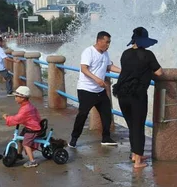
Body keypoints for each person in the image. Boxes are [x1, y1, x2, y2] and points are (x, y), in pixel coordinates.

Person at [113, 27, 163, 168]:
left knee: (131, 126)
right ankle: (138, 162)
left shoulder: (125, 54)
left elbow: (129, 70)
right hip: (137, 95)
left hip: (122, 94)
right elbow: (159, 72)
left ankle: (136, 154)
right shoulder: (148, 55)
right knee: (138, 126)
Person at [69, 31, 121, 148]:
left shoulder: (105, 53)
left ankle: (106, 137)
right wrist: (97, 79)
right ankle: (74, 139)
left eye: (109, 42)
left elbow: (109, 66)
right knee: (82, 114)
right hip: (86, 89)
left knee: (107, 113)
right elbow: (84, 69)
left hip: (99, 91)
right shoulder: (89, 52)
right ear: (99, 41)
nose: (108, 45)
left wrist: (123, 71)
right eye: (107, 42)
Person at [3, 86, 42, 168]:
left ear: (23, 98)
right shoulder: (27, 106)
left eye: (17, 96)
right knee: (20, 139)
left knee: (26, 143)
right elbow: (21, 117)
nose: (15, 98)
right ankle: (19, 155)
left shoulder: (26, 108)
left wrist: (7, 118)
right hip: (30, 126)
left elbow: (18, 118)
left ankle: (32, 161)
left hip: (33, 128)